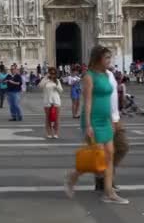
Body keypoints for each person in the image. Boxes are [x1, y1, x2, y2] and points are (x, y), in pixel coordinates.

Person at [64, 45, 129, 205]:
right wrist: (88, 126)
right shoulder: (89, 76)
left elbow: (111, 99)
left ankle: (109, 192)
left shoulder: (107, 76)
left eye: (110, 57)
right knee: (97, 157)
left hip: (106, 120)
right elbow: (87, 102)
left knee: (109, 156)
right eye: (106, 58)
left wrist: (113, 119)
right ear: (98, 59)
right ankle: (73, 175)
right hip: (93, 120)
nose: (109, 61)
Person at [40, 67, 63, 139]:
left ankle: (56, 133)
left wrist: (56, 87)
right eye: (51, 73)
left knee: (56, 118)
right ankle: (49, 133)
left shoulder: (57, 81)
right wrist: (45, 77)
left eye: (54, 73)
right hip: (47, 101)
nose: (52, 75)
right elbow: (40, 86)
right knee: (47, 118)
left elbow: (61, 91)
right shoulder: (46, 80)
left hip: (56, 101)